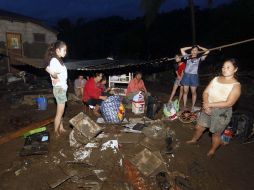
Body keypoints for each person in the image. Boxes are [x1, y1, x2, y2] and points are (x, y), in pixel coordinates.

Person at [186, 59, 241, 157]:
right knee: (199, 127)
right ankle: (194, 140)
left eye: (228, 67)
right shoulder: (216, 79)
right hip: (208, 106)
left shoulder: (236, 86)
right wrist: (206, 104)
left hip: (222, 112)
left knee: (215, 134)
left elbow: (229, 103)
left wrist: (210, 105)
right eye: (223, 67)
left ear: (235, 69)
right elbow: (205, 92)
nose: (224, 69)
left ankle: (213, 150)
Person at [45, 41, 68, 136]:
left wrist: (55, 76)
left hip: (62, 88)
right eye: (64, 50)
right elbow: (51, 71)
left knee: (61, 111)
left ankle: (61, 127)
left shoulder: (59, 60)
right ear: (58, 50)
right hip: (59, 89)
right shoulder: (54, 60)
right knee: (59, 113)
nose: (65, 52)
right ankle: (55, 132)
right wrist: (53, 75)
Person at [180, 45, 210, 110]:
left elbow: (208, 51)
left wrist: (200, 47)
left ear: (198, 52)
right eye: (193, 50)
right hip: (186, 76)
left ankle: (192, 106)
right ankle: (184, 106)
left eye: (196, 50)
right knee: (185, 92)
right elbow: (182, 49)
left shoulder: (200, 58)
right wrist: (191, 47)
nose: (194, 51)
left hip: (194, 76)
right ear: (191, 51)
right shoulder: (187, 57)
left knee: (193, 92)